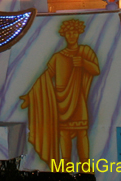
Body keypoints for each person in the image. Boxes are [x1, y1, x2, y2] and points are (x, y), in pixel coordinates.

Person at [20, 19, 100, 164]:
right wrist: (31, 96)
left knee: (82, 133)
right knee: (64, 134)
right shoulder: (58, 57)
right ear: (64, 35)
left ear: (78, 33)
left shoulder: (84, 51)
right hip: (61, 101)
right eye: (68, 33)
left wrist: (83, 62)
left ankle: (85, 167)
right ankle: (66, 167)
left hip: (78, 100)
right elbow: (45, 77)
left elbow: (96, 70)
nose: (71, 36)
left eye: (74, 32)